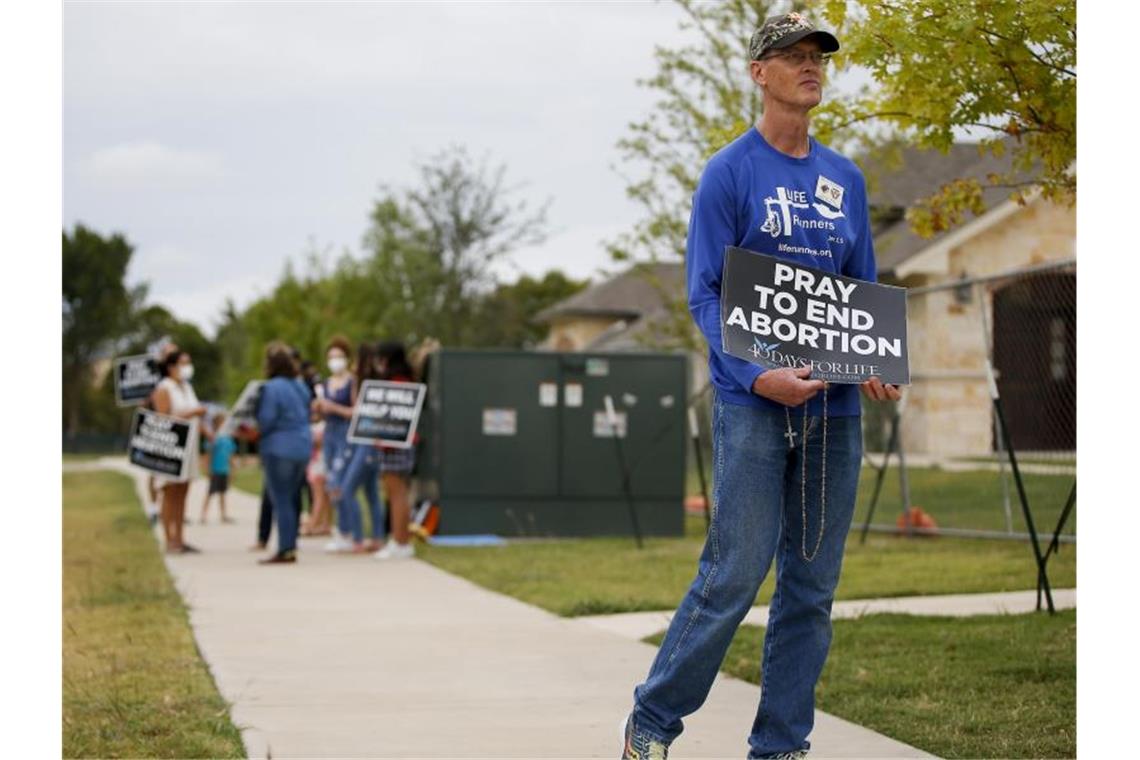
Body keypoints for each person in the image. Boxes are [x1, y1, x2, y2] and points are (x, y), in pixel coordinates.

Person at [621, 14, 901, 760]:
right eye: (794, 56)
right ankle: (651, 726)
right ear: (759, 73)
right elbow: (706, 295)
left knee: (810, 590)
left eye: (818, 58)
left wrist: (872, 358)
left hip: (833, 412)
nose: (810, 67)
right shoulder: (730, 172)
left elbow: (860, 289)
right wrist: (756, 374)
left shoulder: (846, 179)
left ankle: (781, 745)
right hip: (752, 405)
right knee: (732, 576)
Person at [254, 341, 313, 564]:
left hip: (279, 448)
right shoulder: (300, 386)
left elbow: (267, 419)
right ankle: (291, 543)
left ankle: (285, 549)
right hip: (302, 446)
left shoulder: (272, 388)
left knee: (282, 499)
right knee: (293, 497)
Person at [325, 341, 385, 553]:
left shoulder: (363, 382)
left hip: (365, 441)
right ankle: (375, 537)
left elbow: (356, 410)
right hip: (361, 440)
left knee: (346, 489)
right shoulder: (359, 382)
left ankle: (358, 537)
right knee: (370, 492)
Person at [151, 349, 207, 553]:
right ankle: (169, 539)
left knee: (183, 492)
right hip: (171, 448)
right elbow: (163, 419)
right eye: (184, 363)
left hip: (190, 447)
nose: (187, 367)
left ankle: (180, 538)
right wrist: (193, 412)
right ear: (171, 366)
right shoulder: (163, 388)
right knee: (170, 492)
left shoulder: (186, 387)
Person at [373, 340, 418, 561]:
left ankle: (401, 541)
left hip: (394, 445)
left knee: (397, 494)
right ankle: (399, 539)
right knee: (396, 494)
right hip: (398, 444)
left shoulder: (397, 382)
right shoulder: (406, 380)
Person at [313, 336, 358, 550]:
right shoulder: (325, 384)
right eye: (331, 357)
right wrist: (319, 409)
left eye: (339, 356)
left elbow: (356, 412)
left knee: (340, 484)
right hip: (329, 434)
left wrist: (334, 408)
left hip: (345, 434)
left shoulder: (352, 382)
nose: (335, 361)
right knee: (330, 484)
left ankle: (348, 531)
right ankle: (341, 530)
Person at [200, 412, 237, 524]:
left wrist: (233, 469)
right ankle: (203, 515)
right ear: (216, 424)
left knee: (222, 493)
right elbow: (208, 455)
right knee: (210, 493)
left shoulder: (228, 439)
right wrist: (208, 469)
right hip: (215, 470)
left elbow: (230, 455)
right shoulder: (213, 438)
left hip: (224, 470)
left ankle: (223, 515)